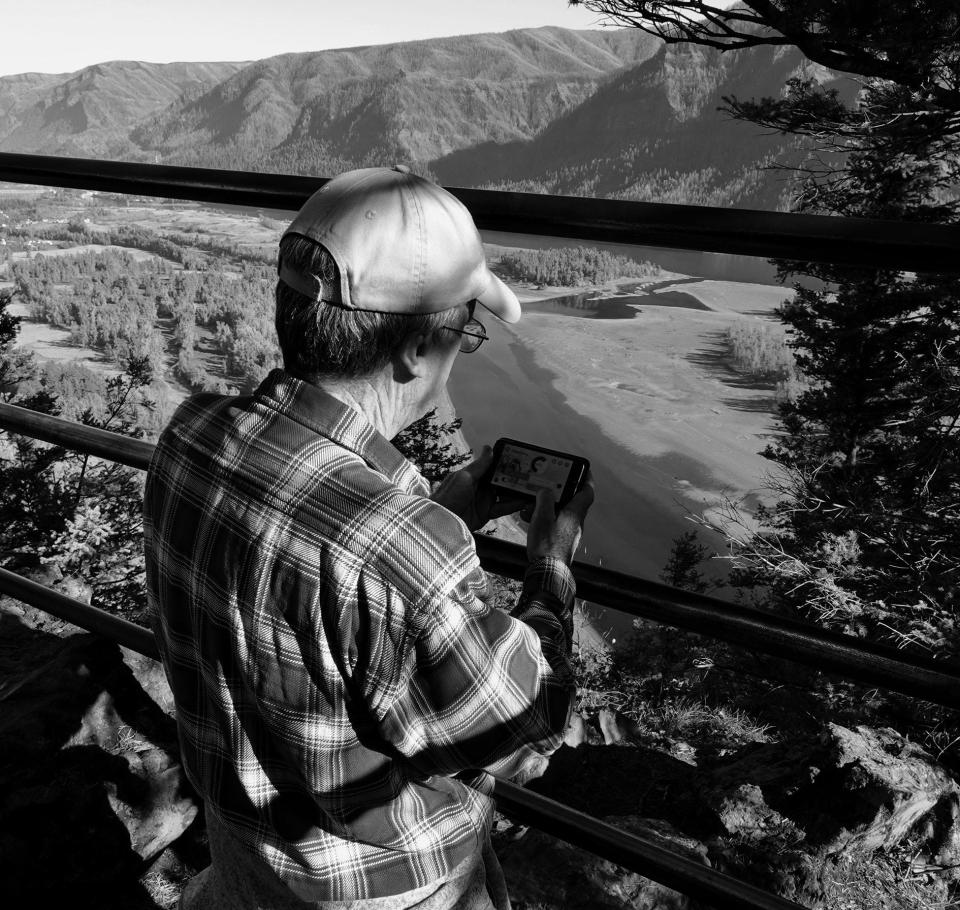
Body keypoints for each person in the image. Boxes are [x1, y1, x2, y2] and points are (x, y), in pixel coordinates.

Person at [143, 165, 594, 910]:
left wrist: (421, 507)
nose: (463, 350)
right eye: (467, 332)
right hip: (380, 890)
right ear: (416, 349)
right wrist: (552, 572)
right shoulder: (404, 552)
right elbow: (526, 736)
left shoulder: (190, 436)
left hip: (245, 851)